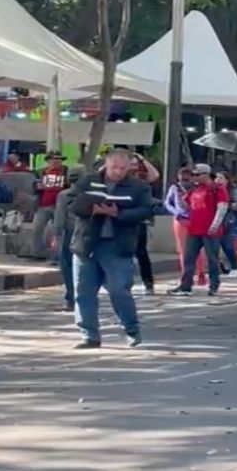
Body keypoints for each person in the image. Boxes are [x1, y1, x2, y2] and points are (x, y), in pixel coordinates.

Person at [66, 149, 153, 348]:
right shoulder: (88, 181)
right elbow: (70, 203)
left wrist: (118, 213)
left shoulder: (138, 187)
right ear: (107, 163)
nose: (118, 171)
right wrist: (91, 208)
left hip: (117, 246)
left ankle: (132, 329)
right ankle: (89, 335)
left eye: (123, 168)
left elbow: (146, 210)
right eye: (115, 167)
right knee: (84, 292)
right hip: (87, 244)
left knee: (119, 290)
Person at [168, 164, 228, 296]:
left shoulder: (216, 188)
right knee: (189, 258)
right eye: (193, 175)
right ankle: (186, 285)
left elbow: (222, 207)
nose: (194, 177)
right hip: (194, 229)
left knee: (212, 259)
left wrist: (215, 224)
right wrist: (179, 196)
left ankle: (214, 285)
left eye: (197, 175)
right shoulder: (195, 190)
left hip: (210, 230)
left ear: (206, 174)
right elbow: (186, 206)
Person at [163, 167, 208, 286]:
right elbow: (167, 203)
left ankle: (201, 273)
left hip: (195, 220)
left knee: (198, 248)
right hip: (180, 219)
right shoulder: (175, 188)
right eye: (183, 177)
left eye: (188, 176)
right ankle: (186, 275)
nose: (185, 180)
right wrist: (175, 212)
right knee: (183, 249)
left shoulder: (198, 188)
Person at [51, 166, 83, 312]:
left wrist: (56, 237)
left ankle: (71, 300)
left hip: (70, 232)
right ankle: (84, 298)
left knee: (68, 266)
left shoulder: (64, 195)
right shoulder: (90, 194)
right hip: (88, 231)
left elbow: (59, 219)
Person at [129, 153, 160, 294]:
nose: (133, 167)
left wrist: (142, 159)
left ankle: (148, 282)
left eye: (135, 164)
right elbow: (100, 173)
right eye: (131, 164)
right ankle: (124, 282)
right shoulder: (118, 179)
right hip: (121, 220)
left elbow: (155, 175)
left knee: (141, 252)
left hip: (139, 220)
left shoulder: (142, 180)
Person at [32, 150, 69, 261]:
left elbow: (72, 184)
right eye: (54, 159)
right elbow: (34, 186)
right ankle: (39, 253)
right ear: (48, 160)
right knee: (37, 229)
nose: (57, 161)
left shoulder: (66, 171)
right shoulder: (41, 172)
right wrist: (38, 187)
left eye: (59, 159)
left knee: (58, 230)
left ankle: (57, 255)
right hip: (44, 204)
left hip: (60, 205)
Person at [216, 170, 237, 277]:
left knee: (228, 246)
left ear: (227, 180)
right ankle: (218, 268)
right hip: (214, 220)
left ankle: (234, 267)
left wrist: (228, 205)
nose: (218, 180)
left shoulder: (232, 191)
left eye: (221, 178)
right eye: (216, 178)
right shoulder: (213, 190)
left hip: (227, 220)